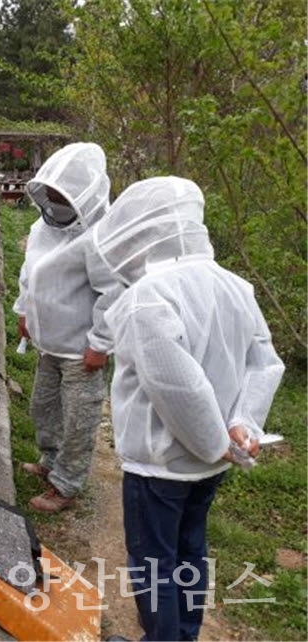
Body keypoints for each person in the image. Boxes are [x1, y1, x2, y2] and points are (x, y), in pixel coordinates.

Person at [93, 176, 284, 640]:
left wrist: (217, 441)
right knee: (190, 549)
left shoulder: (147, 297)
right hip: (212, 461)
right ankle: (184, 634)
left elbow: (176, 385)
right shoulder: (236, 286)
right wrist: (240, 426)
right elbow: (263, 362)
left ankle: (164, 638)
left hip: (161, 463)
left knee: (155, 562)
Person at [12, 142, 120, 513]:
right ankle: (50, 461)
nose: (54, 201)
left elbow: (113, 293)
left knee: (78, 419)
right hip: (49, 345)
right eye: (52, 194)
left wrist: (101, 343)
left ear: (85, 198)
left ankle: (67, 485)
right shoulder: (43, 229)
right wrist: (23, 311)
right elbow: (30, 276)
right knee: (43, 408)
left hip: (80, 351)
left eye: (62, 196)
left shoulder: (100, 239)